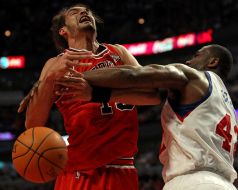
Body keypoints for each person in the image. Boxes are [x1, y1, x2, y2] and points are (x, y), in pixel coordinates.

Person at [18, 3, 160, 190]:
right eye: (74, 12)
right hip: (81, 172)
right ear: (63, 31)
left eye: (87, 11)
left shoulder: (118, 53)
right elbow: (32, 124)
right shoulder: (56, 64)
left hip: (123, 168)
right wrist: (48, 79)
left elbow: (154, 96)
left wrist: (99, 95)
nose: (84, 12)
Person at [55, 44, 238, 190]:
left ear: (213, 61)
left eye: (197, 55)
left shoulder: (193, 76)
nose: (189, 60)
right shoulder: (226, 104)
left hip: (193, 182)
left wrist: (77, 79)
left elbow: (133, 74)